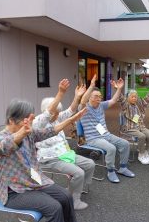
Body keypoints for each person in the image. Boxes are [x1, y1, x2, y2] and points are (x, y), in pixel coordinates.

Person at [0, 98, 87, 222]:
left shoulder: (28, 132)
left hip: (33, 180)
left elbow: (50, 131)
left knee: (66, 196)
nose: (30, 122)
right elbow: (5, 146)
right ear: (11, 120)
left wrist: (71, 120)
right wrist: (22, 133)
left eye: (30, 119)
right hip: (14, 191)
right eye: (26, 119)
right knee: (54, 207)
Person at [33, 79, 95, 210]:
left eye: (57, 112)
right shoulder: (38, 122)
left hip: (64, 154)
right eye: (55, 112)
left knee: (90, 164)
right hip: (50, 159)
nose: (57, 115)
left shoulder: (56, 118)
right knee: (78, 173)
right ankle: (73, 200)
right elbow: (49, 113)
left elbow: (70, 111)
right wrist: (60, 92)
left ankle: (76, 188)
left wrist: (77, 97)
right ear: (47, 111)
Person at [79, 78, 135, 183]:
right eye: (96, 96)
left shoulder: (101, 105)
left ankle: (123, 168)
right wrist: (91, 86)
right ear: (89, 97)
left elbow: (113, 100)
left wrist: (119, 89)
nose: (99, 98)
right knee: (111, 148)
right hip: (93, 138)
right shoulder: (83, 108)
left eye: (100, 96)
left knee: (125, 144)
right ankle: (110, 171)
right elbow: (82, 101)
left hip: (106, 135)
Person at [118, 79, 149, 164]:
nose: (134, 98)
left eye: (135, 97)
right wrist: (118, 89)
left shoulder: (139, 105)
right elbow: (121, 98)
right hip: (130, 128)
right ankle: (141, 153)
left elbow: (148, 97)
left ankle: (146, 152)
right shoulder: (126, 105)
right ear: (128, 98)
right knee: (141, 136)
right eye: (132, 97)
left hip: (140, 127)